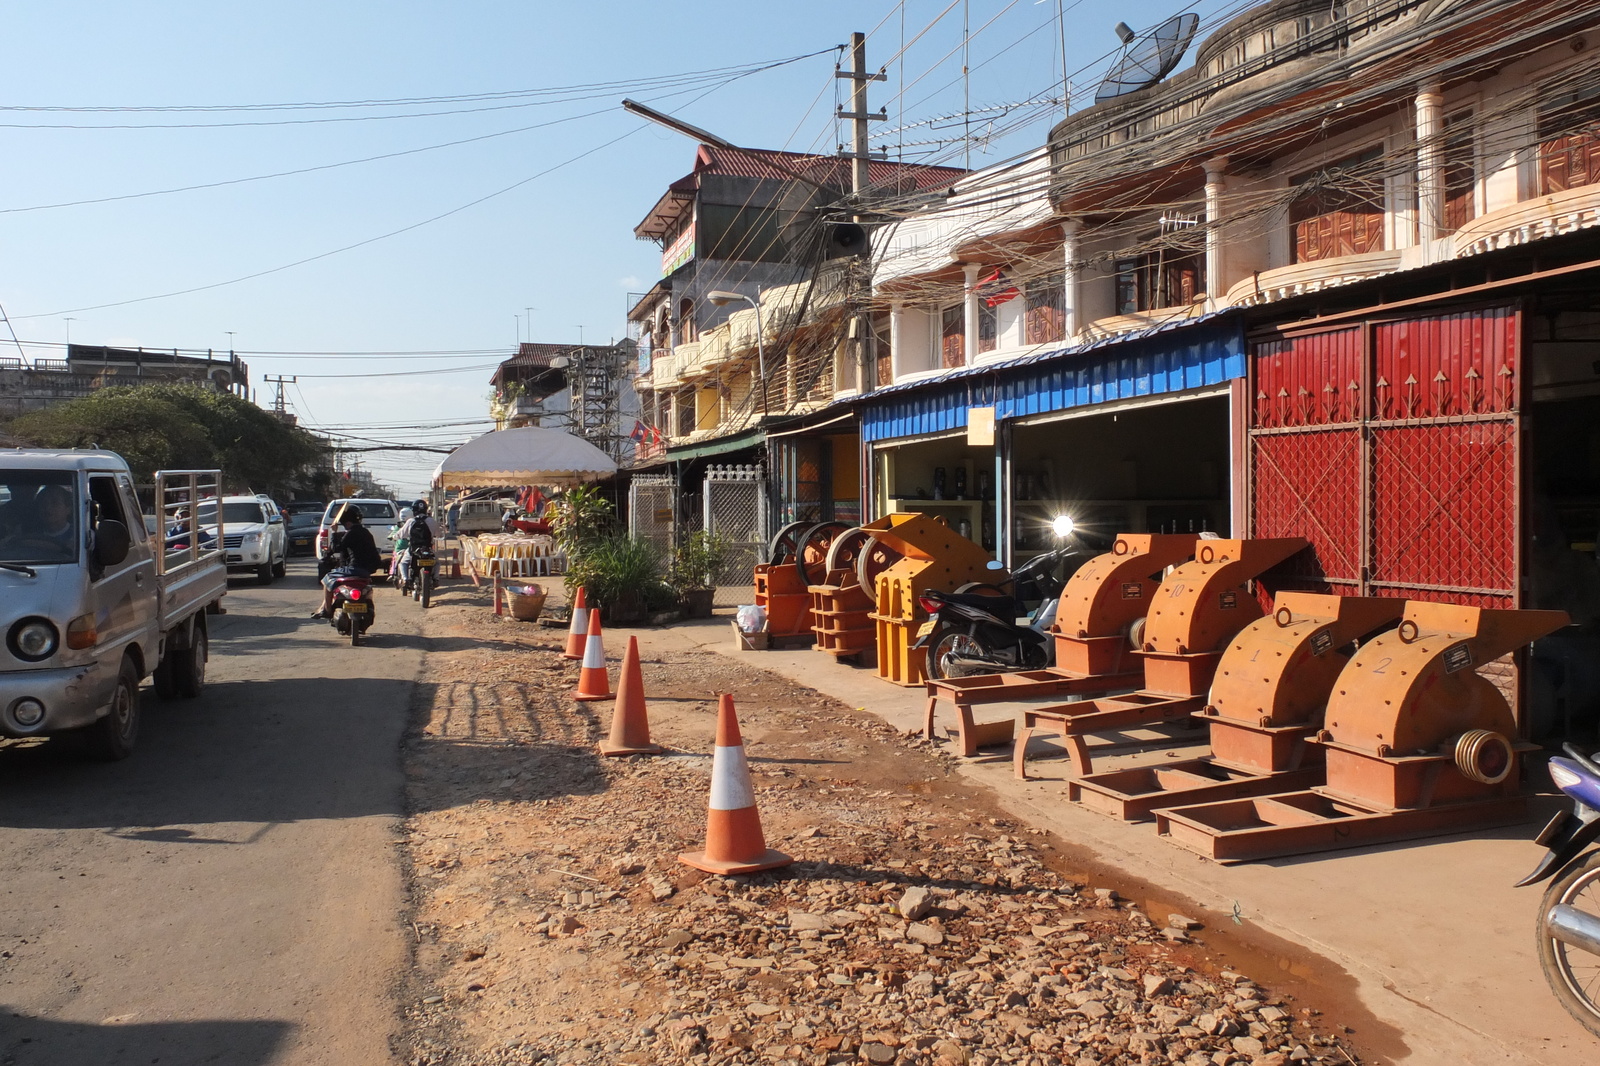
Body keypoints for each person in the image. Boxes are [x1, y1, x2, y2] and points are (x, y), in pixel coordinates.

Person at [312, 508, 383, 618]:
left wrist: (334, 532)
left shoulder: (350, 533)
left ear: (348, 523)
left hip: (353, 569)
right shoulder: (366, 532)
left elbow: (336, 548)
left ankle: (327, 610)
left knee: (327, 579)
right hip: (366, 571)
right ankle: (323, 607)